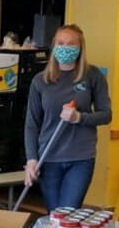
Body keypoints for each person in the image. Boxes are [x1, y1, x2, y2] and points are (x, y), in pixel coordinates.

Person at [24, 24, 112, 211]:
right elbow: (31, 124)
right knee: (53, 215)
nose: (65, 47)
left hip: (81, 157)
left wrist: (79, 117)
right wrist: (31, 159)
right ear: (54, 46)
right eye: (61, 43)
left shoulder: (92, 76)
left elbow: (106, 115)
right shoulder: (40, 81)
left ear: (80, 48)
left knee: (67, 214)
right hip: (49, 157)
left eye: (71, 44)